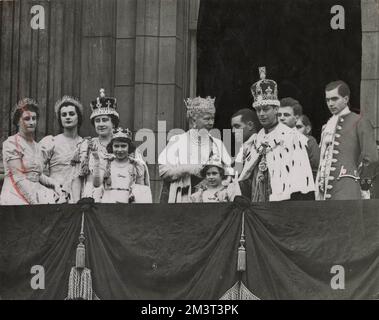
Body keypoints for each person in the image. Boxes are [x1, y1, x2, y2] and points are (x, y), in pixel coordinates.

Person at [238, 67, 315, 201]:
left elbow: (302, 182)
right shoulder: (255, 141)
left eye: (266, 109)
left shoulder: (292, 137)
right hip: (257, 203)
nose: (261, 114)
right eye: (258, 110)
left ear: (276, 109)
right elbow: (246, 178)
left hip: (283, 205)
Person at [158, 96, 233, 203]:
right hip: (183, 197)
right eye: (207, 119)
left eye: (213, 118)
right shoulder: (178, 140)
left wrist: (223, 187)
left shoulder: (217, 143)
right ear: (194, 120)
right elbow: (164, 172)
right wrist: (189, 168)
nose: (211, 122)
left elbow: (229, 172)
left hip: (211, 200)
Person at [316, 80, 378, 200]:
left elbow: (372, 158)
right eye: (328, 100)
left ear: (346, 99)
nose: (330, 104)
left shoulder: (359, 122)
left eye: (335, 99)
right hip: (324, 193)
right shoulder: (327, 126)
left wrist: (362, 184)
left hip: (347, 190)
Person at [0, 98, 62, 205]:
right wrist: (34, 204)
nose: (32, 122)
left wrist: (54, 184)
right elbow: (18, 179)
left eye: (34, 118)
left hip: (35, 193)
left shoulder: (38, 147)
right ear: (18, 121)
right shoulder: (11, 143)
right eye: (27, 119)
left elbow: (38, 174)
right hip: (15, 195)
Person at [39, 96, 85, 203]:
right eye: (64, 115)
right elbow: (36, 171)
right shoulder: (51, 142)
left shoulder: (85, 143)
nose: (67, 117)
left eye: (71, 114)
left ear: (78, 117)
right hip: (56, 195)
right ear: (60, 119)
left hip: (79, 197)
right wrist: (53, 184)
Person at [80, 88, 121, 201]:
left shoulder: (122, 144)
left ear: (113, 123)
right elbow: (79, 177)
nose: (101, 124)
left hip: (117, 194)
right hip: (92, 195)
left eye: (105, 120)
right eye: (97, 121)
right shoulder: (87, 145)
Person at [92, 127, 152, 203]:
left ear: (129, 147)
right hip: (108, 205)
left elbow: (141, 192)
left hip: (129, 207)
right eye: (116, 146)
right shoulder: (106, 163)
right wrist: (97, 161)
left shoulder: (136, 165)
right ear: (112, 147)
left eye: (123, 146)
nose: (119, 150)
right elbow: (96, 184)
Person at [279, 98, 320, 176]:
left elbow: (316, 171)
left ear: (296, 118)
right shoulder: (272, 140)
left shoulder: (308, 141)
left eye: (286, 115)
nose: (281, 118)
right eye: (279, 115)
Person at [231, 108, 261, 174]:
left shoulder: (260, 145)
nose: (233, 131)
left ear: (250, 125)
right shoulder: (243, 147)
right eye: (232, 127)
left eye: (237, 126)